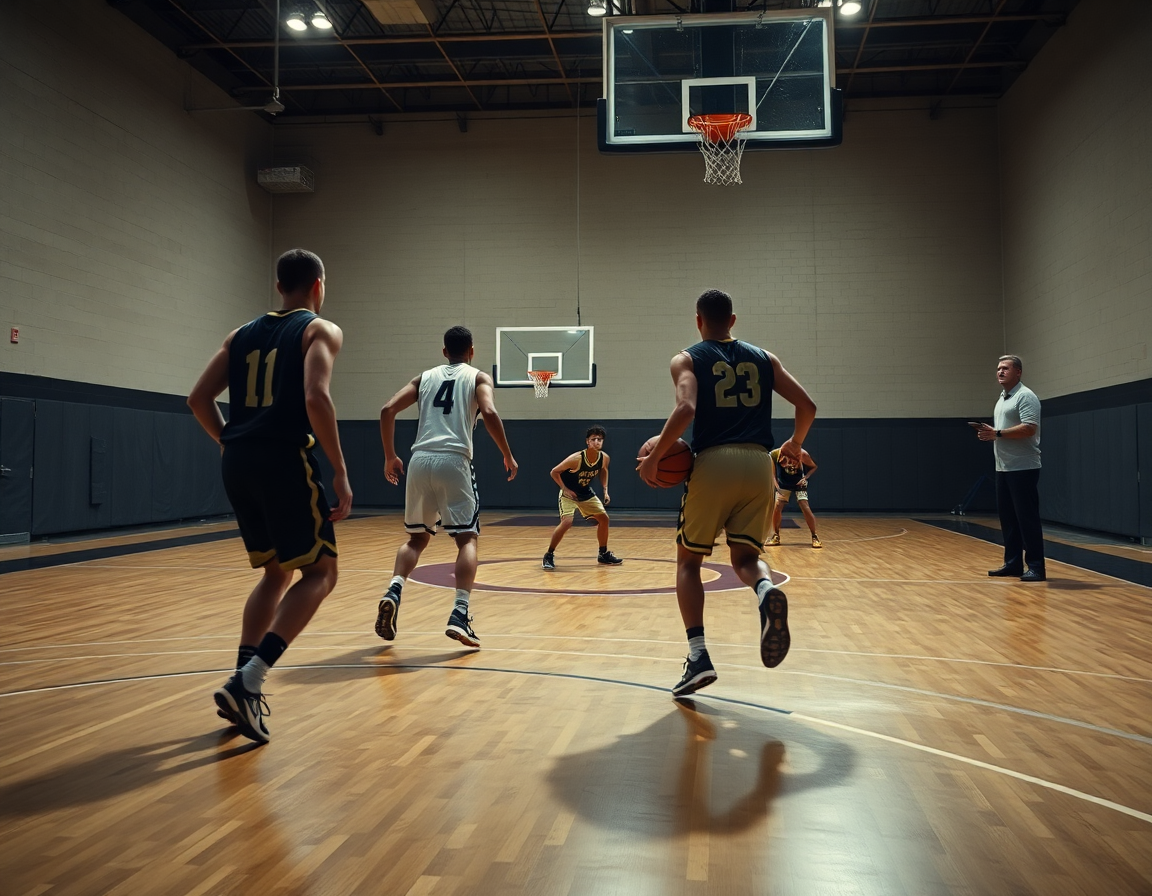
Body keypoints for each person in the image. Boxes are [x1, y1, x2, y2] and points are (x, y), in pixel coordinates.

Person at [187, 248, 352, 745]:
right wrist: (341, 471)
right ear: (318, 285)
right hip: (283, 456)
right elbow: (315, 397)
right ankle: (251, 678)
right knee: (322, 572)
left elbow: (197, 399)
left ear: (279, 285)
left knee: (275, 571)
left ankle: (243, 685)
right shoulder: (320, 330)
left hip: (237, 459)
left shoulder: (239, 335)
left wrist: (231, 442)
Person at [637, 288, 817, 696]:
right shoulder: (764, 358)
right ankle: (765, 591)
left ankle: (698, 656)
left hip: (713, 462)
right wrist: (794, 443)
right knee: (746, 557)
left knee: (688, 562)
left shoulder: (686, 358)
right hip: (758, 464)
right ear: (732, 320)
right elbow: (807, 406)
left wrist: (654, 458)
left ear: (698, 320)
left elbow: (685, 410)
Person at [376, 326, 517, 648]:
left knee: (416, 538)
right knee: (467, 537)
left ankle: (394, 589)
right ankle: (459, 613)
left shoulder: (424, 377)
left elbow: (387, 410)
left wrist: (389, 456)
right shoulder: (479, 377)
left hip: (419, 460)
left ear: (444, 351)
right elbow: (491, 411)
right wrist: (507, 454)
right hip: (454, 460)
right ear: (471, 350)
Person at [973, 355, 1044, 582]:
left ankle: (1036, 567)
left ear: (1018, 372)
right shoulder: (1003, 398)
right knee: (1009, 520)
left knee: (1027, 519)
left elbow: (1029, 429)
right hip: (1004, 468)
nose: (1000, 372)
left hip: (1023, 468)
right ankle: (1013, 563)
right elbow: (1004, 431)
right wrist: (992, 432)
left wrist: (998, 433)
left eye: (1005, 368)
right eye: (998, 369)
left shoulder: (1025, 396)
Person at [542, 425, 624, 569]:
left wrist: (605, 491)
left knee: (604, 519)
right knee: (567, 522)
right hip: (569, 494)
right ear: (587, 441)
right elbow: (554, 472)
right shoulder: (576, 459)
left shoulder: (604, 458)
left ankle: (603, 553)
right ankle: (549, 554)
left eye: (600, 439)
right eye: (594, 439)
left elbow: (603, 471)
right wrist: (564, 489)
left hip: (585, 493)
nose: (597, 442)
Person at [769, 447, 821, 548]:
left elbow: (814, 467)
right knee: (777, 506)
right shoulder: (775, 454)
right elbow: (772, 473)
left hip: (799, 484)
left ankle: (815, 536)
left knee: (804, 506)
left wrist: (805, 477)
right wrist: (777, 486)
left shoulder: (803, 454)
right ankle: (776, 536)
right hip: (784, 484)